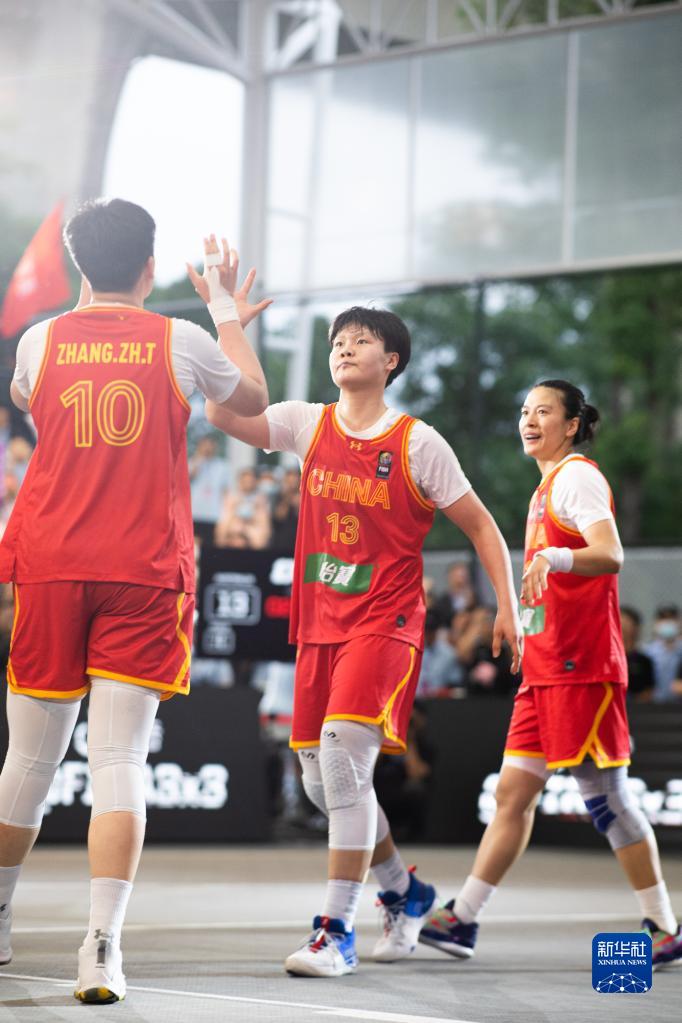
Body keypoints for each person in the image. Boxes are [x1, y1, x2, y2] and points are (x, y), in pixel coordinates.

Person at [0, 198, 269, 1003]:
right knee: (119, 759)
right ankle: (101, 947)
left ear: (81, 266)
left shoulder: (40, 338)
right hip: (143, 570)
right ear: (151, 267)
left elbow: (28, 401)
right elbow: (252, 399)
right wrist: (227, 312)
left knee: (29, 761)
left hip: (50, 563)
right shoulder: (181, 340)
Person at [206, 305, 522, 977]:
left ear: (392, 360)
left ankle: (334, 932)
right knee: (322, 785)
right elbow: (223, 413)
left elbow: (482, 525)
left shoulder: (417, 443)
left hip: (386, 620)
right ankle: (405, 893)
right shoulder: (308, 422)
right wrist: (227, 321)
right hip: (320, 624)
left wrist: (508, 605)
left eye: (362, 341)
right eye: (338, 342)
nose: (345, 349)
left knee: (345, 764)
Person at [420, 379, 682, 970]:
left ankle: (664, 927)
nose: (529, 420)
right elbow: (551, 584)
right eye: (524, 411)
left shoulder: (577, 478)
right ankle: (463, 918)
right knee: (512, 794)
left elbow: (610, 553)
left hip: (580, 666)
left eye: (544, 412)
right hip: (543, 668)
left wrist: (553, 556)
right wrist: (520, 622)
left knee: (605, 797)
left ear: (572, 425)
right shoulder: (544, 488)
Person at [214, 465, 272, 549]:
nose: (248, 484)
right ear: (239, 481)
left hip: (253, 539)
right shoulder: (231, 498)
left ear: (255, 482)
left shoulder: (261, 500)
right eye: (245, 481)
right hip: (232, 534)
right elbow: (222, 528)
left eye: (250, 481)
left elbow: (264, 533)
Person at [644, 605, 682, 702]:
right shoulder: (647, 652)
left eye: (671, 618)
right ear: (656, 623)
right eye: (663, 619)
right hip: (653, 704)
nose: (667, 622)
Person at [620, 606, 655, 702]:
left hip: (638, 707)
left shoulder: (644, 660)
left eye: (627, 622)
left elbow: (648, 690)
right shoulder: (608, 659)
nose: (623, 627)